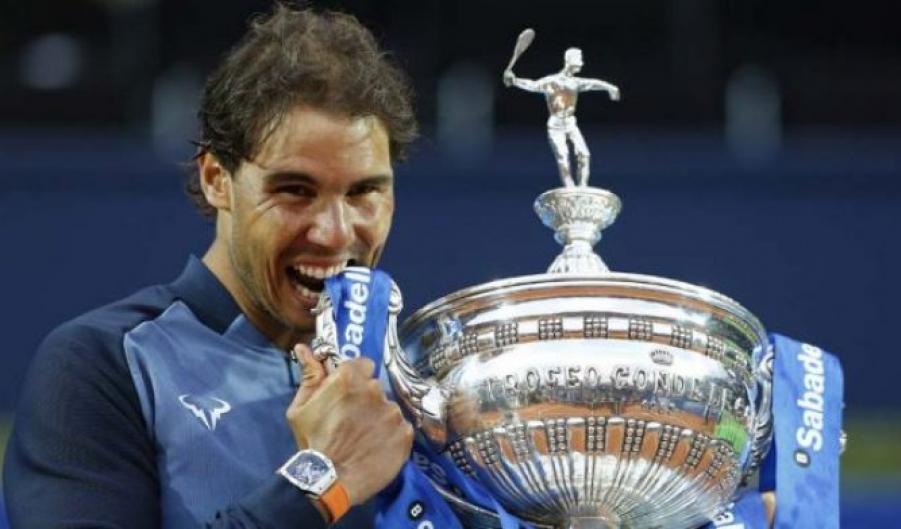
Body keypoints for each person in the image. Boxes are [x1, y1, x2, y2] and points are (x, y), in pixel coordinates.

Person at [3, 5, 418, 528]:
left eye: (364, 192)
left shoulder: (416, 380)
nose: (335, 232)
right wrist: (321, 480)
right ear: (216, 179)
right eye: (295, 190)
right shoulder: (102, 366)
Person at [504, 47, 620, 188]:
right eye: (579, 60)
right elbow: (533, 85)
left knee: (584, 154)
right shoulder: (551, 82)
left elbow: (594, 83)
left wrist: (610, 88)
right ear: (570, 61)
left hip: (571, 123)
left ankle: (583, 187)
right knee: (563, 157)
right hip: (556, 125)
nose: (581, 64)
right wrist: (515, 80)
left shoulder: (575, 83)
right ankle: (569, 187)